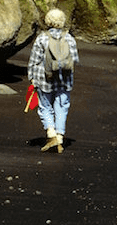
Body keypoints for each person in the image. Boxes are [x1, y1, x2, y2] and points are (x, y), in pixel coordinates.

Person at [27, 8, 79, 153]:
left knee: (45, 107)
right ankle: (60, 137)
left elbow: (34, 60)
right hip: (64, 80)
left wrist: (32, 77)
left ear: (48, 21)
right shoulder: (69, 39)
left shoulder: (42, 38)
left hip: (44, 79)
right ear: (62, 21)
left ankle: (51, 133)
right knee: (62, 107)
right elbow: (74, 59)